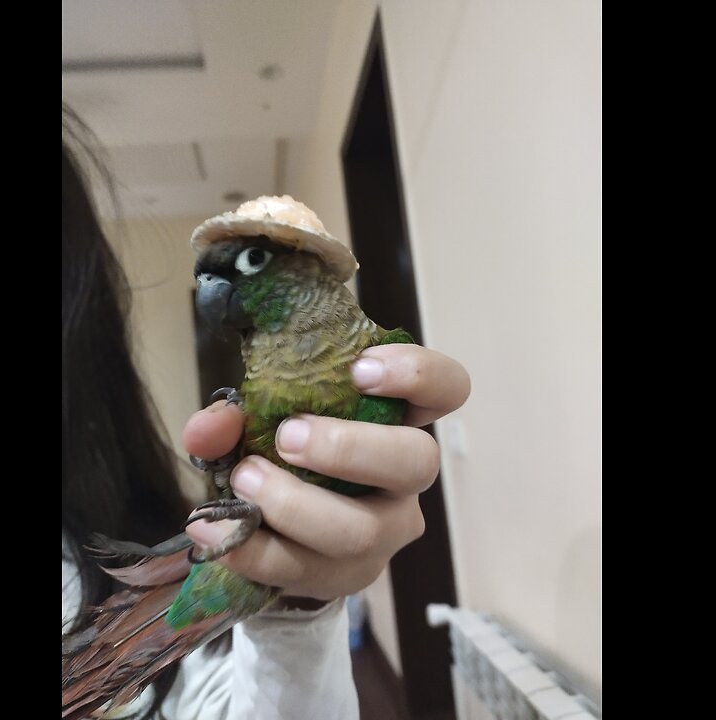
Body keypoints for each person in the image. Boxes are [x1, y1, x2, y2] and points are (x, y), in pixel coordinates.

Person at [61, 106, 471, 719]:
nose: (215, 289)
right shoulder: (255, 384)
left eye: (252, 262)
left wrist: (301, 593)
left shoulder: (375, 359)